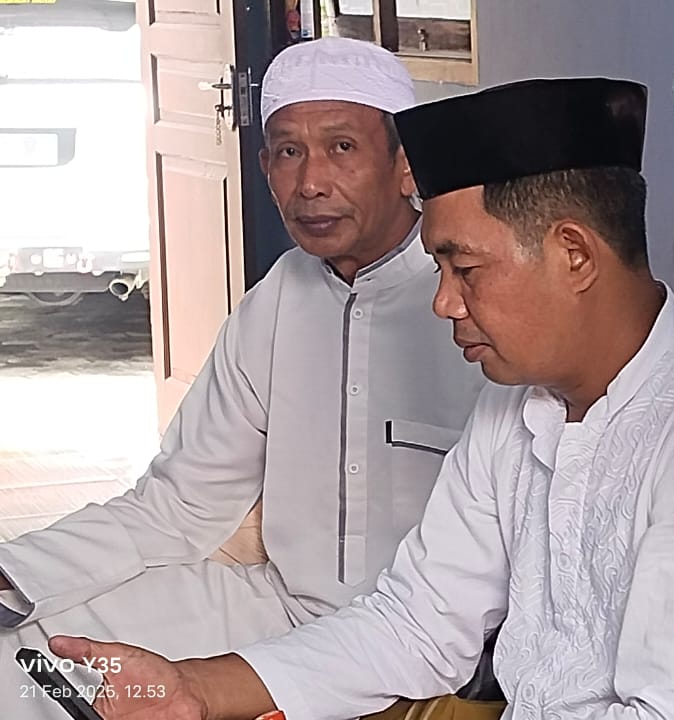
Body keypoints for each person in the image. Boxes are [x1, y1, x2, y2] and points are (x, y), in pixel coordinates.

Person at [46, 76, 674, 720]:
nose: (443, 303)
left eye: (465, 270)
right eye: (439, 270)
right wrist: (195, 690)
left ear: (573, 255)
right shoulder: (519, 402)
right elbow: (419, 621)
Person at [1, 37, 487, 719]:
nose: (310, 182)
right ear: (264, 168)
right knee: (23, 645)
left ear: (405, 164)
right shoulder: (278, 298)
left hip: (420, 640)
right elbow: (179, 502)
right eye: (288, 152)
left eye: (342, 147)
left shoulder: (477, 297)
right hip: (277, 610)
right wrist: (15, 572)